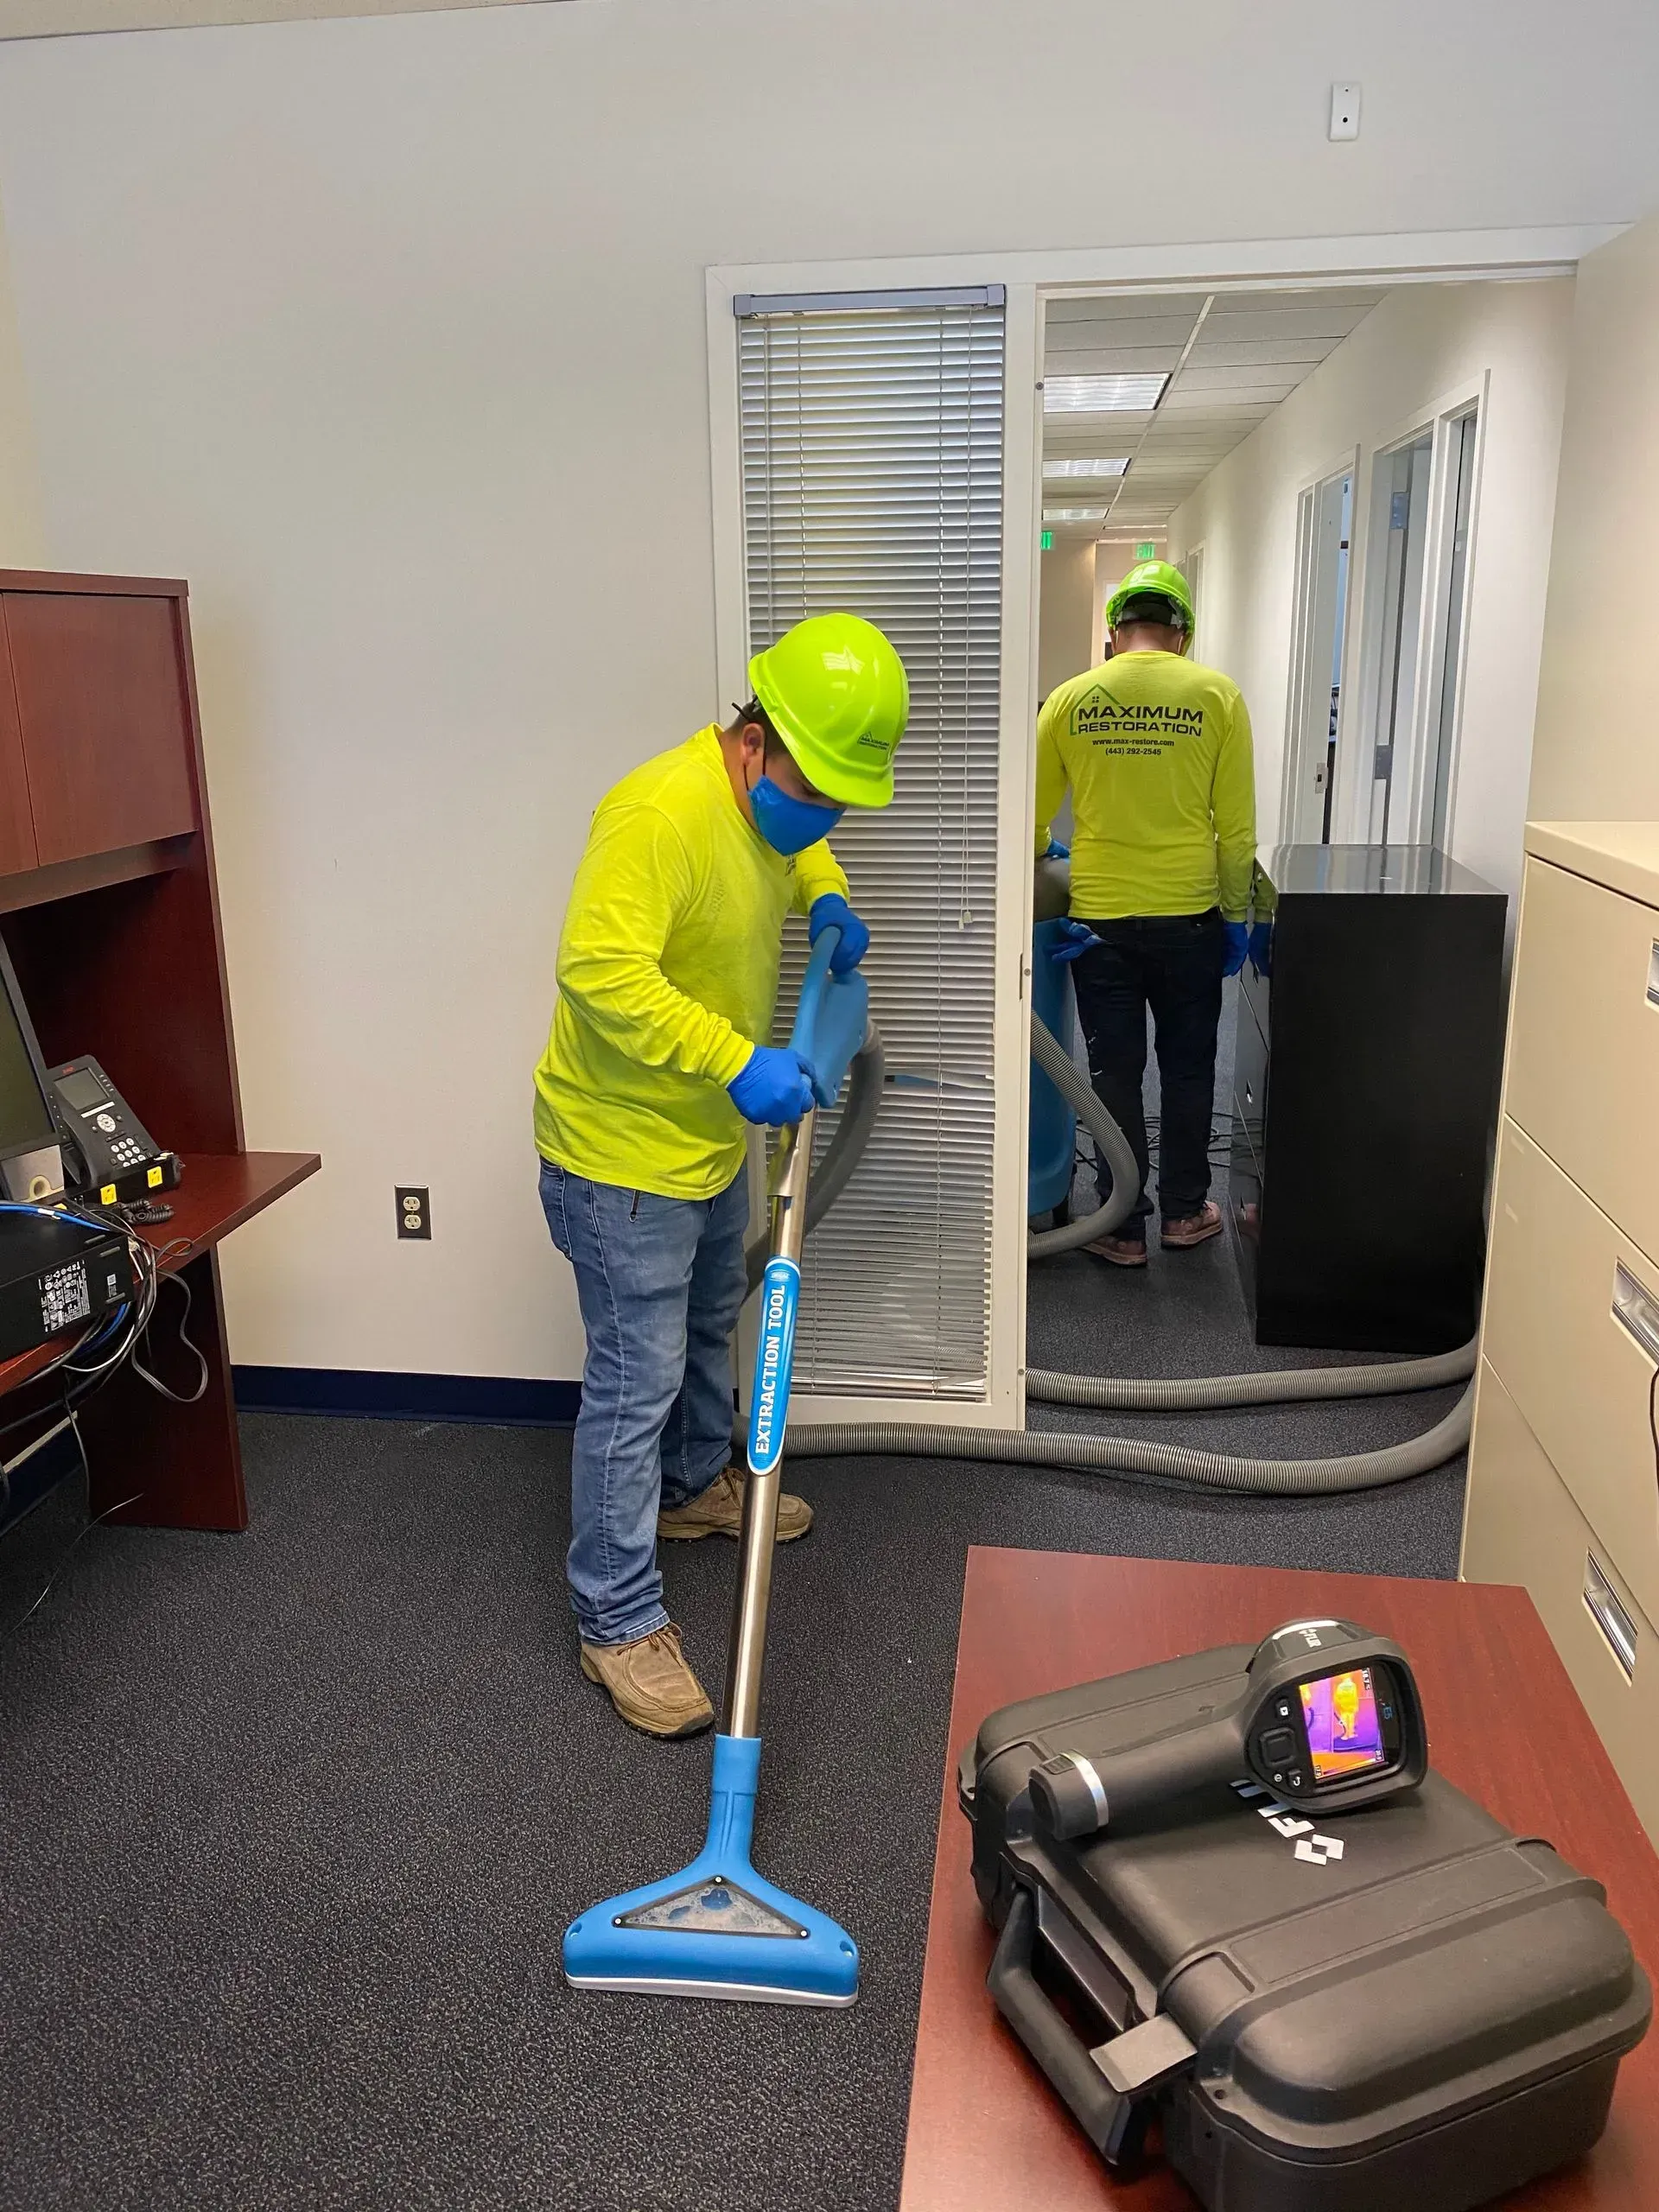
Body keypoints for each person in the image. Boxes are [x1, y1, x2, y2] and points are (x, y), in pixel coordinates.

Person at [535, 614, 907, 1738]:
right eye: (817, 789)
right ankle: (615, 1619)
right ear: (755, 739)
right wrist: (735, 1057)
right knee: (632, 1383)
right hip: (620, 1155)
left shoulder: (773, 809)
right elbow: (596, 969)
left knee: (708, 1330)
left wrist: (828, 892)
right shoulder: (659, 811)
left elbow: (798, 846)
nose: (824, 814)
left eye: (844, 799)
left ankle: (698, 1487)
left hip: (702, 1140)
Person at [1035, 559, 1255, 1268]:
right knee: (1190, 1070)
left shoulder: (1070, 699)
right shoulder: (1218, 696)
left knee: (1114, 1072)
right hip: (1190, 915)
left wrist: (1049, 849)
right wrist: (1237, 915)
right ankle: (1186, 1215)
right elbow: (1238, 829)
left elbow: (1028, 819)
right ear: (1182, 633)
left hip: (1098, 921)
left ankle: (1122, 1225)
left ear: (1114, 629)